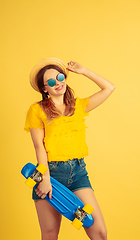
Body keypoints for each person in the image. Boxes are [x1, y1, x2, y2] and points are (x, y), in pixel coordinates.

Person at [24, 57, 115, 240]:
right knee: (50, 234)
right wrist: (44, 179)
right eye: (51, 81)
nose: (57, 83)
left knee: (99, 232)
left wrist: (84, 71)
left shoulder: (79, 106)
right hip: (50, 175)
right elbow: (39, 147)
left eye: (59, 77)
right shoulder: (37, 110)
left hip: (78, 174)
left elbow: (109, 88)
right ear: (45, 89)